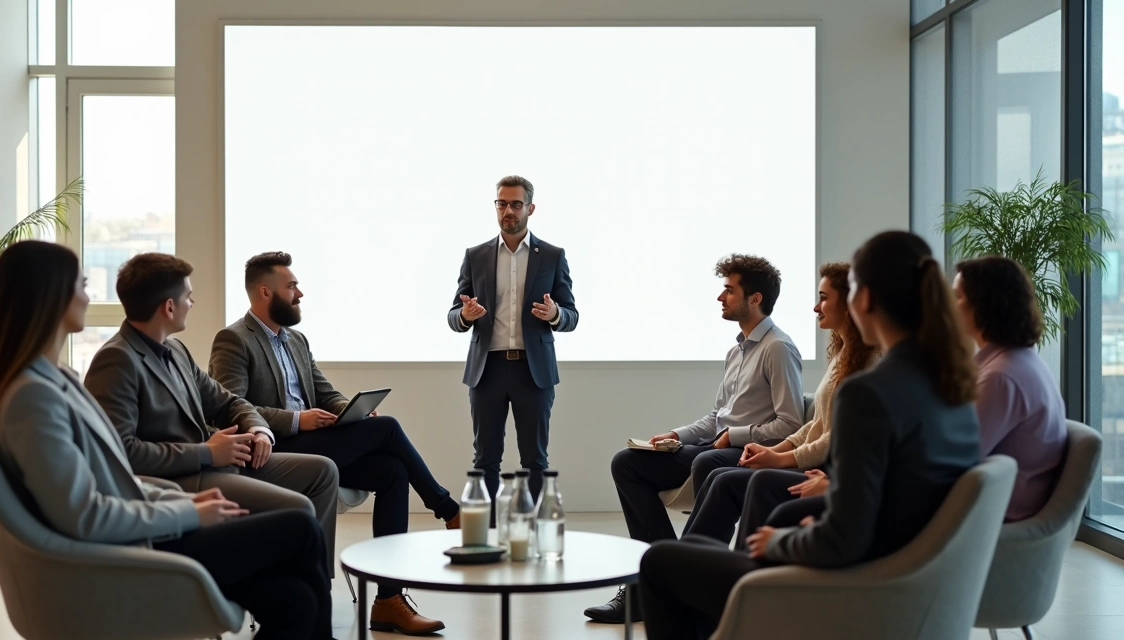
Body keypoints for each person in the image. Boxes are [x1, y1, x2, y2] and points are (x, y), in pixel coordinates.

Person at [0, 241, 333, 639]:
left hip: (144, 527)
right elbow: (87, 513)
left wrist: (182, 502)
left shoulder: (55, 378)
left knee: (296, 599)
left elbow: (110, 474)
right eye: (81, 285)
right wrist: (189, 512)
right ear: (50, 296)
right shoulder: (33, 397)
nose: (89, 297)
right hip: (126, 553)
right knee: (300, 527)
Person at [638, 231, 982, 640]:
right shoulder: (952, 383)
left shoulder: (869, 391)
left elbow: (844, 537)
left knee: (659, 562)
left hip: (861, 583)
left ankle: (737, 612)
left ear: (863, 299)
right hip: (914, 581)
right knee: (710, 542)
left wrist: (778, 543)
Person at [209, 251, 459, 635]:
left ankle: (389, 600)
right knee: (389, 429)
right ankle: (447, 509)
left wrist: (351, 412)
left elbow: (326, 393)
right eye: (292, 286)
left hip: (316, 445)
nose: (300, 294)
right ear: (265, 292)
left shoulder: (296, 340)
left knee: (392, 472)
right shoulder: (234, 339)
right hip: (274, 451)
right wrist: (298, 420)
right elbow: (232, 408)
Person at [587, 254, 804, 624]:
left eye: (729, 290)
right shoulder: (736, 351)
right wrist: (676, 435)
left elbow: (791, 424)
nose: (721, 297)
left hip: (750, 452)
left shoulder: (778, 348)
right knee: (627, 463)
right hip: (718, 446)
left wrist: (732, 436)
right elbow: (717, 416)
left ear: (755, 299)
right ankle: (655, 574)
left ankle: (670, 579)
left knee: (707, 460)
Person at [83, 253, 341, 561]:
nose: (192, 304)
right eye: (188, 297)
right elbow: (121, 452)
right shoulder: (116, 360)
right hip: (183, 477)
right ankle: (292, 581)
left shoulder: (175, 349)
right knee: (299, 508)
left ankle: (316, 579)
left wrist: (258, 429)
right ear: (169, 307)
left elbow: (228, 401)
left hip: (220, 461)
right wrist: (206, 453)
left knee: (324, 472)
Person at [681, 262, 877, 546]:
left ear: (849, 305)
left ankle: (720, 564)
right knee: (718, 475)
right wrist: (774, 451)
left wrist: (780, 458)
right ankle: (689, 558)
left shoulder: (867, 362)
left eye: (823, 298)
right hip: (821, 460)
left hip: (828, 468)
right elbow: (816, 425)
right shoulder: (843, 356)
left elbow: (833, 437)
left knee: (728, 477)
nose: (815, 307)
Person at [447, 175, 579, 502]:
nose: (508, 210)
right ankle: (489, 530)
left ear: (530, 208)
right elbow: (453, 315)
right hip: (486, 370)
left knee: (535, 460)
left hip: (533, 372)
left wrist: (555, 314)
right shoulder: (475, 256)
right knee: (485, 460)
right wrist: (466, 315)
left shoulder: (552, 256)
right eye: (502, 203)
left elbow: (571, 316)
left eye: (516, 204)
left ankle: (531, 528)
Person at [955, 256, 1067, 521]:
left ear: (984, 306)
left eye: (957, 297)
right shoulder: (1019, 360)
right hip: (998, 502)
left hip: (998, 514)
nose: (949, 305)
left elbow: (956, 459)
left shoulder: (1001, 377)